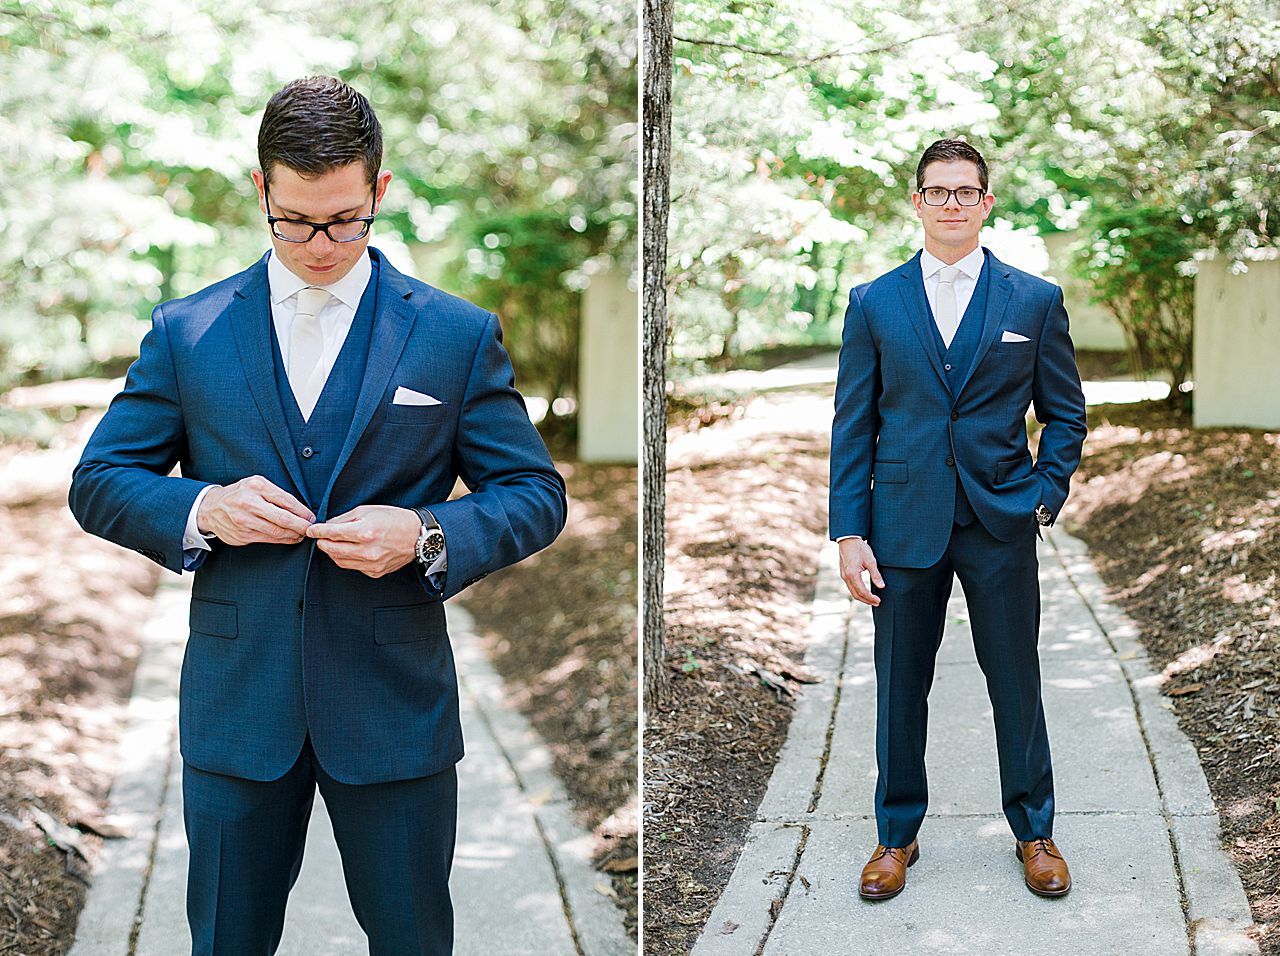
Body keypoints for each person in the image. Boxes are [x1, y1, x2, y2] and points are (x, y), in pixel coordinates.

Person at [68, 76, 567, 955]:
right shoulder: (188, 331)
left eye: (343, 219)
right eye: (294, 220)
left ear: (379, 191)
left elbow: (535, 493)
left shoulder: (453, 335)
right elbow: (100, 478)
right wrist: (205, 507)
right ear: (261, 190)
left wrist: (425, 533)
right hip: (236, 706)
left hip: (393, 707)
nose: (320, 243)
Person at [828, 138, 1088, 901]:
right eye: (936, 191)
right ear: (917, 202)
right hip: (901, 523)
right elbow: (853, 425)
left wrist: (1044, 491)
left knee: (1015, 678)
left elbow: (1066, 414)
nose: (950, 202)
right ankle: (894, 837)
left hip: (1000, 517)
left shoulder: (1032, 299)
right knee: (899, 686)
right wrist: (849, 532)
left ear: (985, 203)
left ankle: (1035, 832)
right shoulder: (875, 300)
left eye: (964, 191)